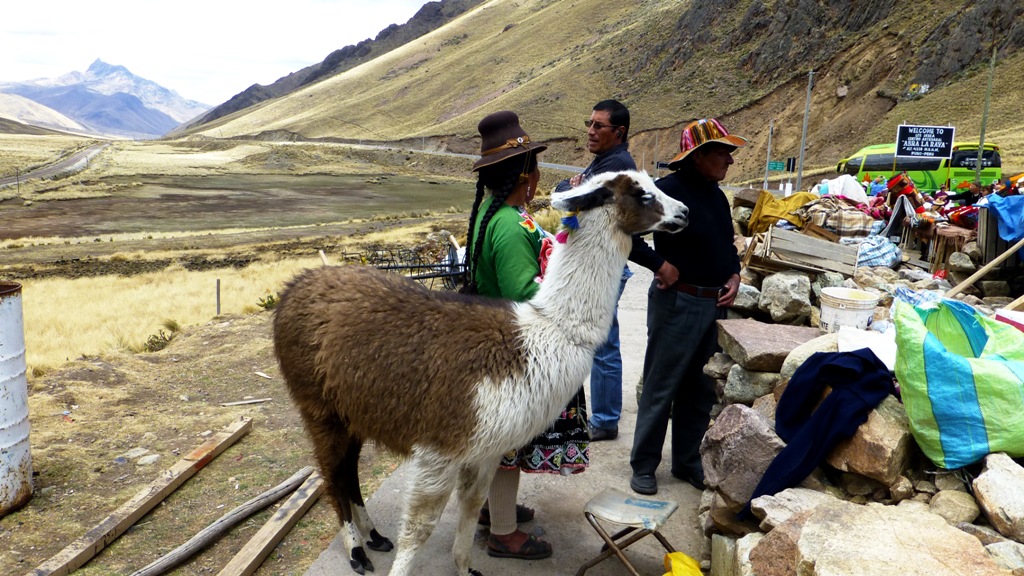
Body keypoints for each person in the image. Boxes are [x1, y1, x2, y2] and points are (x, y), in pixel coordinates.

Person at [465, 110, 589, 560]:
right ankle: (503, 532)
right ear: (523, 174)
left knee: (498, 443)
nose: (537, 173)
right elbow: (525, 292)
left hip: (495, 341)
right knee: (505, 443)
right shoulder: (510, 226)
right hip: (517, 350)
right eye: (533, 164)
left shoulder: (492, 214)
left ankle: (492, 510)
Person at [627, 117, 744, 495]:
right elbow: (625, 231)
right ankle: (644, 465)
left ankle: (687, 462)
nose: (730, 160)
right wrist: (659, 264)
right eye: (723, 153)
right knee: (662, 384)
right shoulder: (666, 191)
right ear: (698, 156)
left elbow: (726, 246)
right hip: (677, 302)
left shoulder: (717, 196)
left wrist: (734, 275)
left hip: (713, 304)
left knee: (699, 389)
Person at [554, 99, 637, 441]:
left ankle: (604, 420)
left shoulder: (616, 168)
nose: (590, 131)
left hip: (603, 267)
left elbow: (569, 201)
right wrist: (570, 188)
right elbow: (569, 194)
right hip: (598, 265)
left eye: (598, 126)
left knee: (603, 343)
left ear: (618, 132)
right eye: (589, 124)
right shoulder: (605, 162)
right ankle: (603, 415)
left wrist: (572, 190)